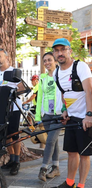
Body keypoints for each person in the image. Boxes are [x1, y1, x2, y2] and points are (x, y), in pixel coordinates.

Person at [51, 38, 92, 188]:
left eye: (63, 49)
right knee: (71, 152)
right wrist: (65, 111)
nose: (60, 53)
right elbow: (65, 93)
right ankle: (70, 183)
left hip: (84, 118)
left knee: (84, 154)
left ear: (70, 51)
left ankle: (81, 185)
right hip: (72, 117)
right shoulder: (56, 73)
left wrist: (89, 115)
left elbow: (89, 91)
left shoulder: (80, 66)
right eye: (57, 50)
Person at [0, 48, 24, 175]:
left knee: (14, 134)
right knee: (5, 135)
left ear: (6, 57)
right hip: (1, 109)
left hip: (14, 108)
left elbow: (22, 88)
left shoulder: (14, 72)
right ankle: (11, 159)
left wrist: (11, 92)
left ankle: (17, 161)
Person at [35, 52, 63, 182]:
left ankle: (43, 169)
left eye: (49, 60)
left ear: (55, 60)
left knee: (50, 141)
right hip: (46, 114)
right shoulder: (43, 77)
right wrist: (37, 115)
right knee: (54, 141)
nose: (47, 63)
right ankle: (56, 167)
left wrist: (65, 110)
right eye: (44, 60)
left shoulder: (61, 74)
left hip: (59, 114)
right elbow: (39, 97)